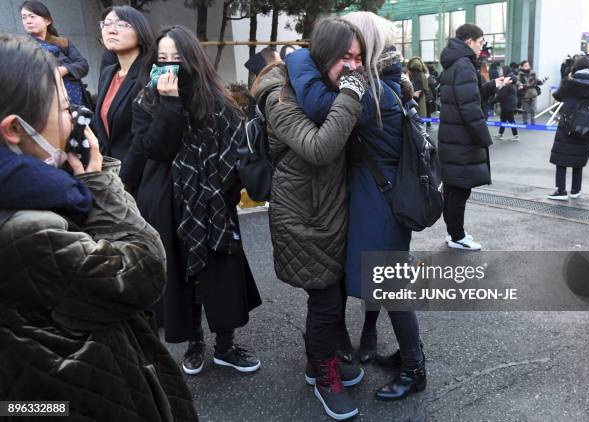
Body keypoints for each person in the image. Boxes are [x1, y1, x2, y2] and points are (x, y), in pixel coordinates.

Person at [0, 34, 198, 422]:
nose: (75, 117)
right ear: (14, 129)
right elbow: (145, 269)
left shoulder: (44, 194)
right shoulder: (27, 230)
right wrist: (100, 180)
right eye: (62, 107)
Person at [285, 10, 428, 404]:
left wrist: (298, 56)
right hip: (379, 199)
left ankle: (415, 369)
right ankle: (405, 354)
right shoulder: (386, 81)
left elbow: (316, 104)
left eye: (354, 50)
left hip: (380, 203)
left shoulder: (373, 89)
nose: (350, 60)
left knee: (392, 286)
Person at [128, 25, 262, 376]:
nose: (170, 66)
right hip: (169, 204)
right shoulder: (147, 100)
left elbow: (236, 153)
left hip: (214, 204)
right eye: (162, 59)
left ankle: (226, 345)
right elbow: (155, 148)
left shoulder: (217, 99)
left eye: (177, 58)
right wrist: (169, 104)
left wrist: (225, 194)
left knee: (220, 275)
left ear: (192, 59)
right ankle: (195, 343)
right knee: (183, 279)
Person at [253, 17, 368, 420]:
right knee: (323, 299)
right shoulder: (278, 97)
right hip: (303, 215)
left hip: (331, 210)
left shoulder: (325, 90)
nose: (352, 67)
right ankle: (324, 376)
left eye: (358, 58)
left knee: (332, 296)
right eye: (344, 58)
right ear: (322, 56)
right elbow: (319, 148)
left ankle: (316, 360)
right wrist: (353, 95)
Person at [438, 23, 501, 251]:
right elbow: (469, 109)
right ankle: (457, 236)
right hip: (462, 139)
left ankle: (454, 232)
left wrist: (491, 85)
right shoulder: (464, 65)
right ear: (469, 42)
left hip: (453, 137)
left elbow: (465, 98)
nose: (482, 47)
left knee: (453, 188)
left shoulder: (454, 64)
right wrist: (484, 138)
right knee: (460, 190)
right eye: (480, 42)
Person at [91, 5, 154, 191]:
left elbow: (143, 136)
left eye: (122, 24)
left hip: (141, 179)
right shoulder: (108, 73)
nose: (111, 29)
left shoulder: (150, 73)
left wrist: (124, 180)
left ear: (140, 31)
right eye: (107, 24)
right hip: (111, 175)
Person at [547, 57, 589, 200]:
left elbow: (557, 96)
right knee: (578, 159)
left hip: (566, 127)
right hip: (586, 129)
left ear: (575, 67)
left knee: (561, 158)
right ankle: (576, 190)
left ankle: (561, 191)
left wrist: (565, 79)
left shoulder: (569, 83)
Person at [20, 1, 89, 106]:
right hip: (50, 104)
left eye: (32, 16)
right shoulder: (22, 47)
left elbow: (83, 65)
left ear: (47, 21)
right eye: (24, 17)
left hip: (78, 101)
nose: (27, 21)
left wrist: (64, 70)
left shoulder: (62, 43)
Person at [493, 66, 520, 141]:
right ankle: (500, 134)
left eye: (501, 70)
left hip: (508, 104)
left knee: (511, 119)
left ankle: (516, 135)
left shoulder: (508, 80)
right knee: (503, 119)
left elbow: (501, 94)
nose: (500, 72)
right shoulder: (509, 78)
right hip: (507, 103)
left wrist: (493, 101)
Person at [517, 60, 543, 125]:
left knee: (533, 110)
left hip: (533, 93)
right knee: (525, 110)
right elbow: (517, 82)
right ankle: (525, 122)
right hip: (525, 94)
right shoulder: (520, 74)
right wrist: (521, 85)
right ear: (522, 67)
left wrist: (541, 81)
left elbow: (537, 80)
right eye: (525, 66)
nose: (527, 67)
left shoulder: (533, 73)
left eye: (528, 65)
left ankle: (533, 122)